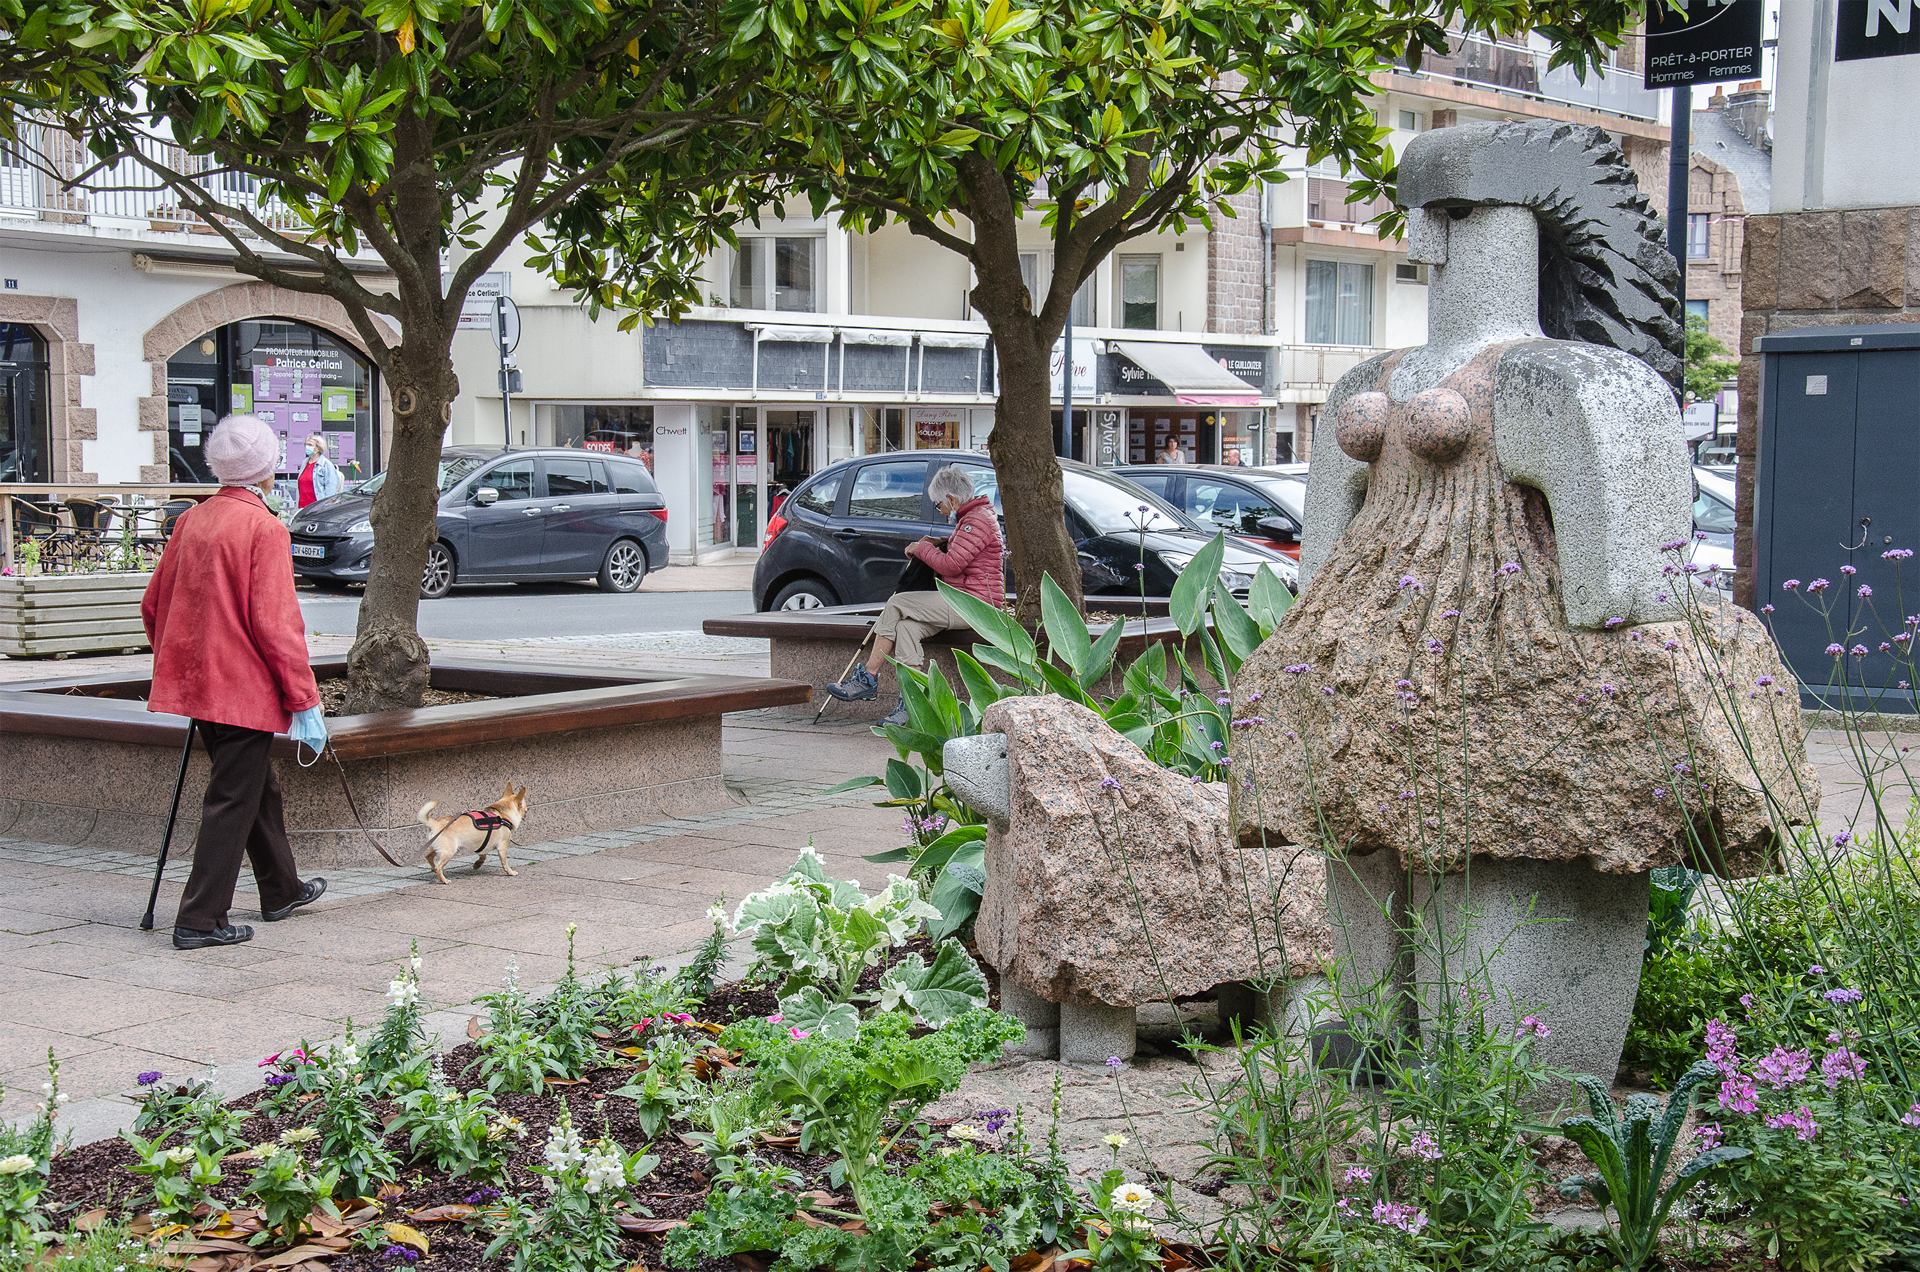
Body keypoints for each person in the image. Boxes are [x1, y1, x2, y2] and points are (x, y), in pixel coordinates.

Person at [142, 414, 329, 951]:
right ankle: (200, 919)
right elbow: (277, 625)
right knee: (231, 797)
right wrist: (304, 697)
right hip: (242, 689)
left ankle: (281, 888)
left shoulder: (192, 521)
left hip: (202, 684)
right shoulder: (264, 528)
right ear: (267, 469)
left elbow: (154, 605)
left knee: (253, 787)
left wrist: (180, 662)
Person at [826, 465, 1003, 726]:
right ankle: (911, 702)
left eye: (938, 503)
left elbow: (952, 565)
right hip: (962, 600)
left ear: (952, 499)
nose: (938, 508)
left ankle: (869, 678)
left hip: (973, 605)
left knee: (897, 603)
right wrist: (936, 541)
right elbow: (963, 551)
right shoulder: (973, 518)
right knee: (907, 629)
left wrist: (921, 548)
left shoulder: (976, 521)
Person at [296, 434, 341, 509]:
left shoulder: (326, 464)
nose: (307, 447)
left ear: (318, 448)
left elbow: (331, 490)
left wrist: (325, 508)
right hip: (302, 508)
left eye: (310, 445)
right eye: (306, 444)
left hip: (317, 508)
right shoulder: (305, 463)